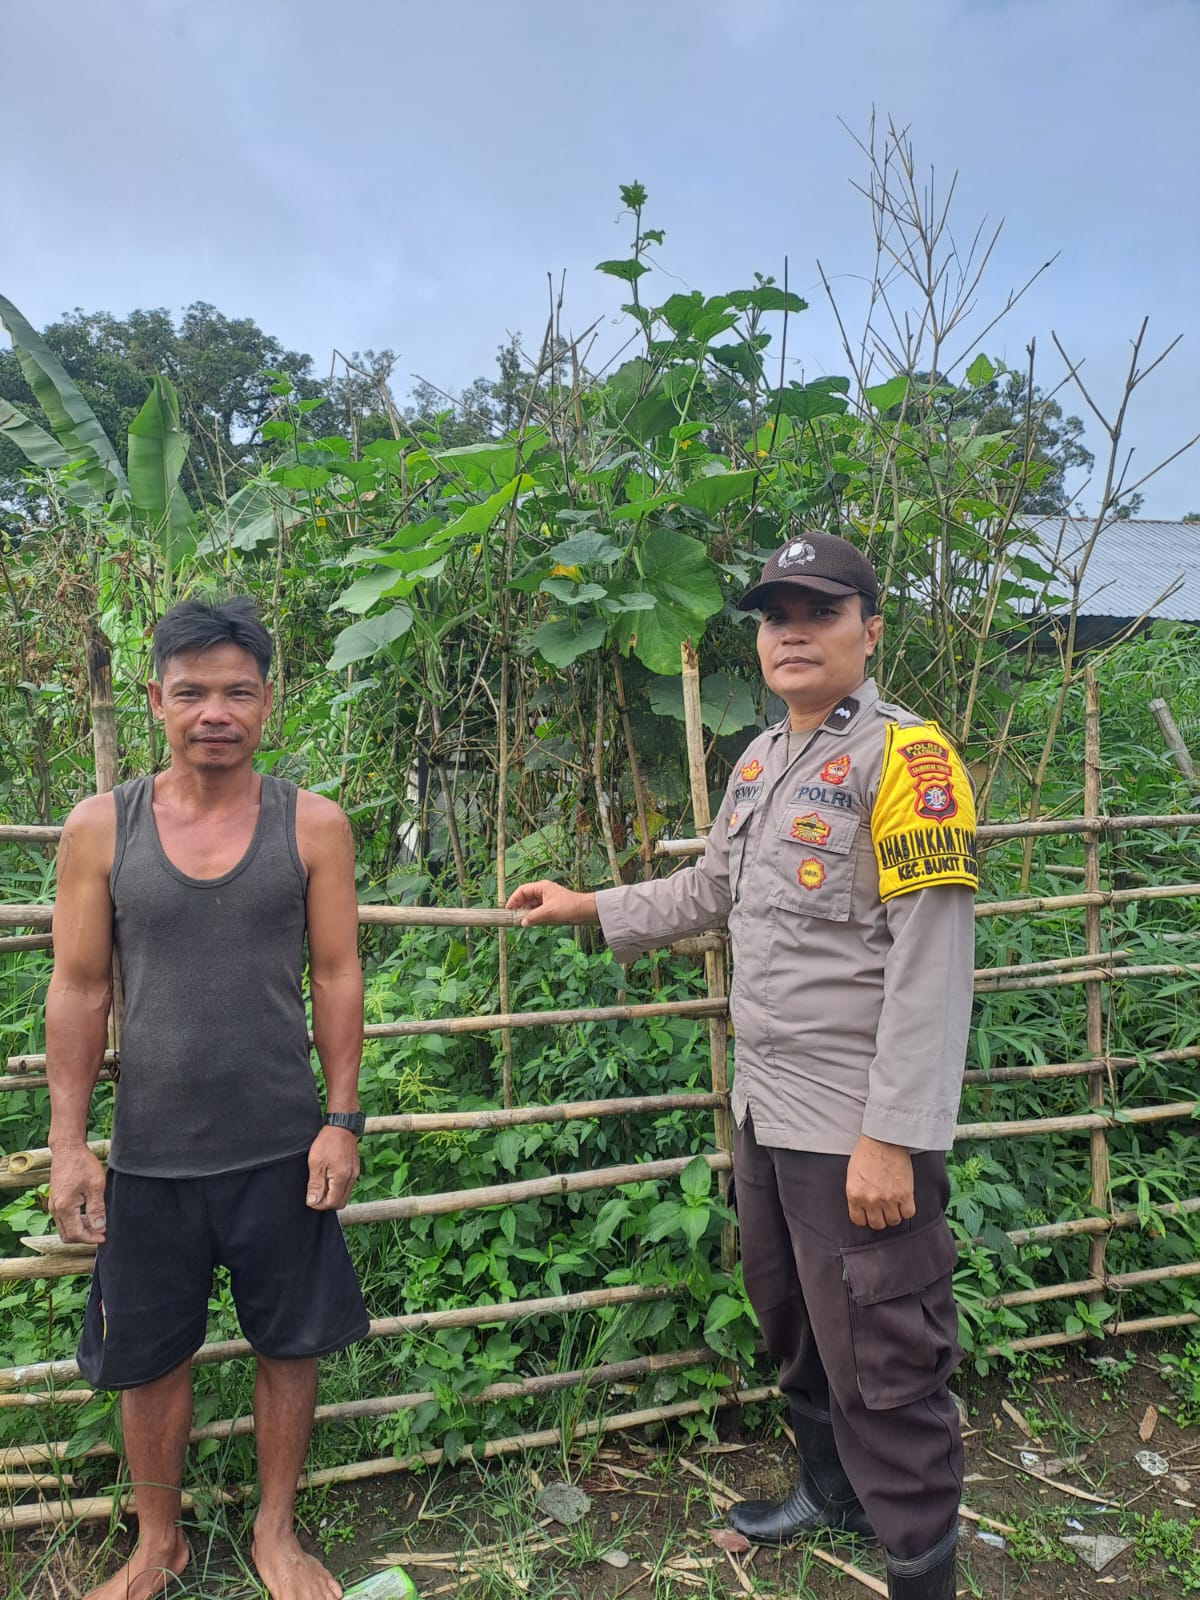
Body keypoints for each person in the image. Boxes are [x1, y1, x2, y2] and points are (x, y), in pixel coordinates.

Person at [507, 531, 976, 1600]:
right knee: (793, 1316)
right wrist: (595, 906)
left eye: (819, 609)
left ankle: (921, 1569)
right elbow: (712, 889)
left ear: (870, 628)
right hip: (766, 1106)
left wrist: (892, 1136)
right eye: (775, 614)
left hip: (854, 1121)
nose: (792, 631)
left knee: (885, 1355)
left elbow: (933, 966)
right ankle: (834, 1492)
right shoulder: (763, 759)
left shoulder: (910, 761)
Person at [47, 597, 369, 1600]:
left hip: (280, 1144)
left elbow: (337, 972)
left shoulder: (312, 825)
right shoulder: (102, 829)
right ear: (156, 700)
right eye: (191, 691)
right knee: (148, 1357)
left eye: (237, 690)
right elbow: (81, 988)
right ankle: (157, 1541)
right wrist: (69, 1143)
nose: (214, 711)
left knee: (290, 1339)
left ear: (268, 702)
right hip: (149, 1152)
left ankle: (277, 1530)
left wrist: (341, 1118)